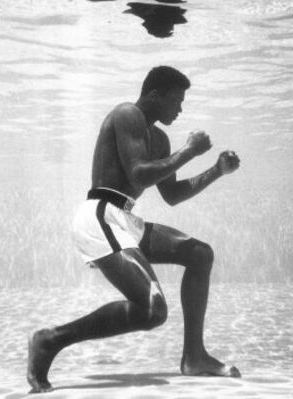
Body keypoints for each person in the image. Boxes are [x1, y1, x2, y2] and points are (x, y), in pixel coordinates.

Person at [27, 65, 241, 393]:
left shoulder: (158, 138)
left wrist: (216, 170)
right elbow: (139, 174)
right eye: (176, 101)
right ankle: (50, 340)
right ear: (154, 95)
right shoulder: (127, 114)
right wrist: (188, 151)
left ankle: (194, 357)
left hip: (126, 219)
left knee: (200, 254)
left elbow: (172, 195)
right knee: (153, 311)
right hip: (99, 215)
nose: (180, 109)